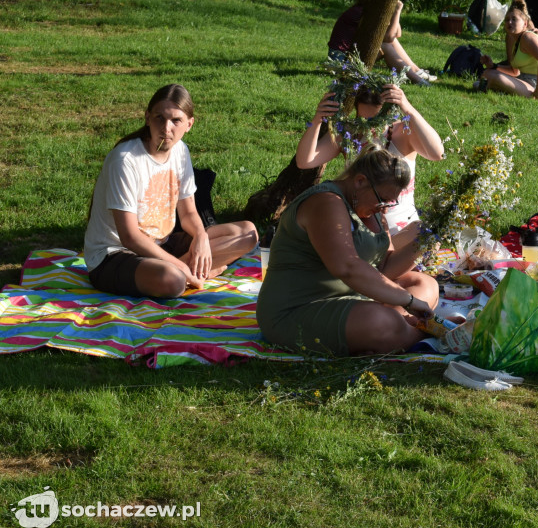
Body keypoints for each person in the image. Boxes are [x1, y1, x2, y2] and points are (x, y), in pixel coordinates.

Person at [257, 147, 439, 355]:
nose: (385, 208)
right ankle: (428, 335)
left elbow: (385, 267)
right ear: (360, 181)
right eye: (382, 199)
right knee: (380, 322)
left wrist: (428, 238)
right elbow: (347, 267)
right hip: (298, 308)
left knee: (424, 283)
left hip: (353, 298)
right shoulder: (326, 202)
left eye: (391, 201)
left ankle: (398, 333)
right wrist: (408, 301)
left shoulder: (370, 206)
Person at [84, 85, 259, 298]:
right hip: (114, 256)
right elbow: (130, 237)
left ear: (189, 124)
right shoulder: (125, 160)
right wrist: (182, 268)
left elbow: (188, 213)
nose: (167, 128)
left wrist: (201, 237)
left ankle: (190, 271)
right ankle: (193, 272)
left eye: (176, 120)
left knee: (247, 234)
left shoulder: (180, 151)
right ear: (148, 118)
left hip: (163, 246)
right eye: (160, 118)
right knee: (173, 281)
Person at [295, 80, 444, 250]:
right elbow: (305, 161)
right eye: (363, 120)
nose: (369, 128)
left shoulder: (403, 132)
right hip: (361, 228)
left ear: (389, 114)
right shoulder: (350, 132)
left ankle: (382, 260)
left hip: (400, 228)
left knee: (424, 235)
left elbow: (437, 153)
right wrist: (317, 120)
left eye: (376, 121)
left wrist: (407, 107)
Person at [327, 0, 436, 85]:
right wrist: (397, 10)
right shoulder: (363, 13)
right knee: (385, 46)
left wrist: (393, 11)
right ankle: (417, 80)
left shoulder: (368, 9)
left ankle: (416, 71)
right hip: (341, 62)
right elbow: (389, 38)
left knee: (390, 43)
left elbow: (396, 34)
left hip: (348, 56)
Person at [476, 0, 538, 102]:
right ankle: (494, 87)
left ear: (525, 24)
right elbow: (514, 71)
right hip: (524, 80)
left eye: (514, 19)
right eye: (507, 20)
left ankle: (492, 86)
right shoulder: (515, 39)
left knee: (492, 76)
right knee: (489, 72)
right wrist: (494, 66)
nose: (509, 22)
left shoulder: (527, 37)